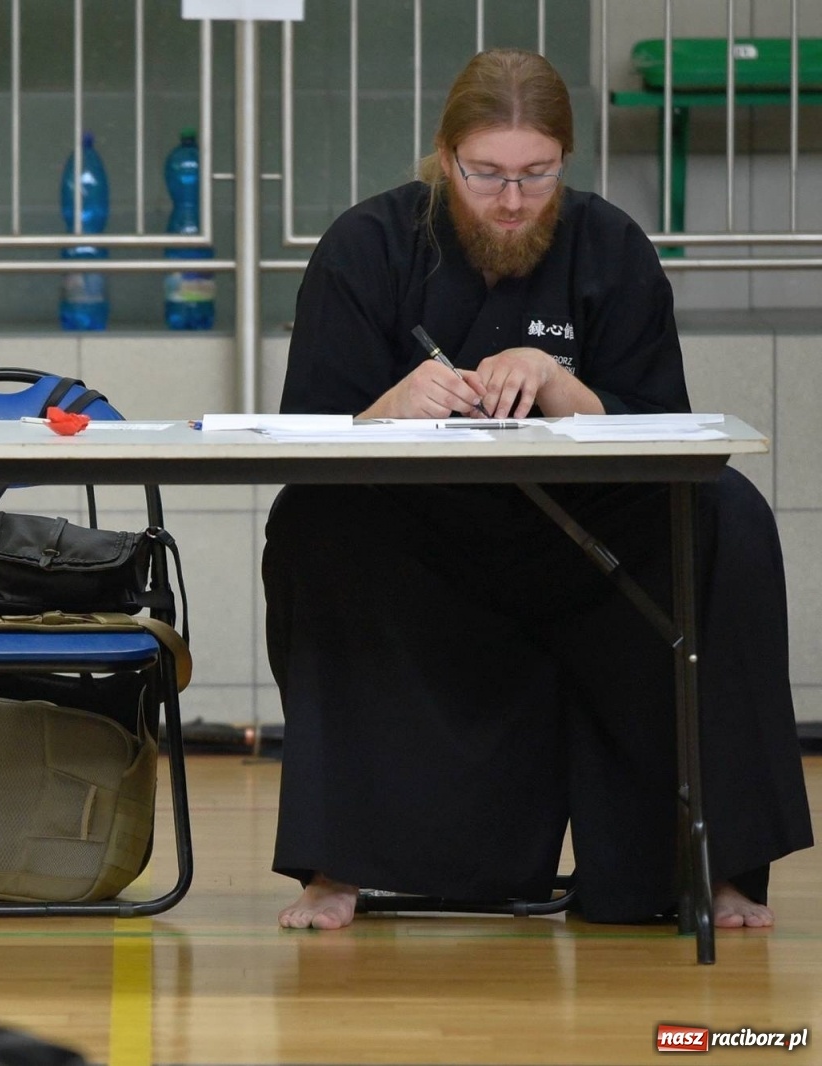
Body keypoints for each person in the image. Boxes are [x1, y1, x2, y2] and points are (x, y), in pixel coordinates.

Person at [262, 49, 812, 932]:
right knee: (312, 523)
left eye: (536, 175)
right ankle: (340, 865)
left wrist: (566, 387)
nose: (511, 201)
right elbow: (305, 438)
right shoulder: (365, 247)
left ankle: (715, 867)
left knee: (727, 518)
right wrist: (389, 408)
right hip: (424, 543)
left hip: (585, 541)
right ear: (445, 158)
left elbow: (665, 429)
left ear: (566, 161)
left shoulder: (612, 247)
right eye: (486, 175)